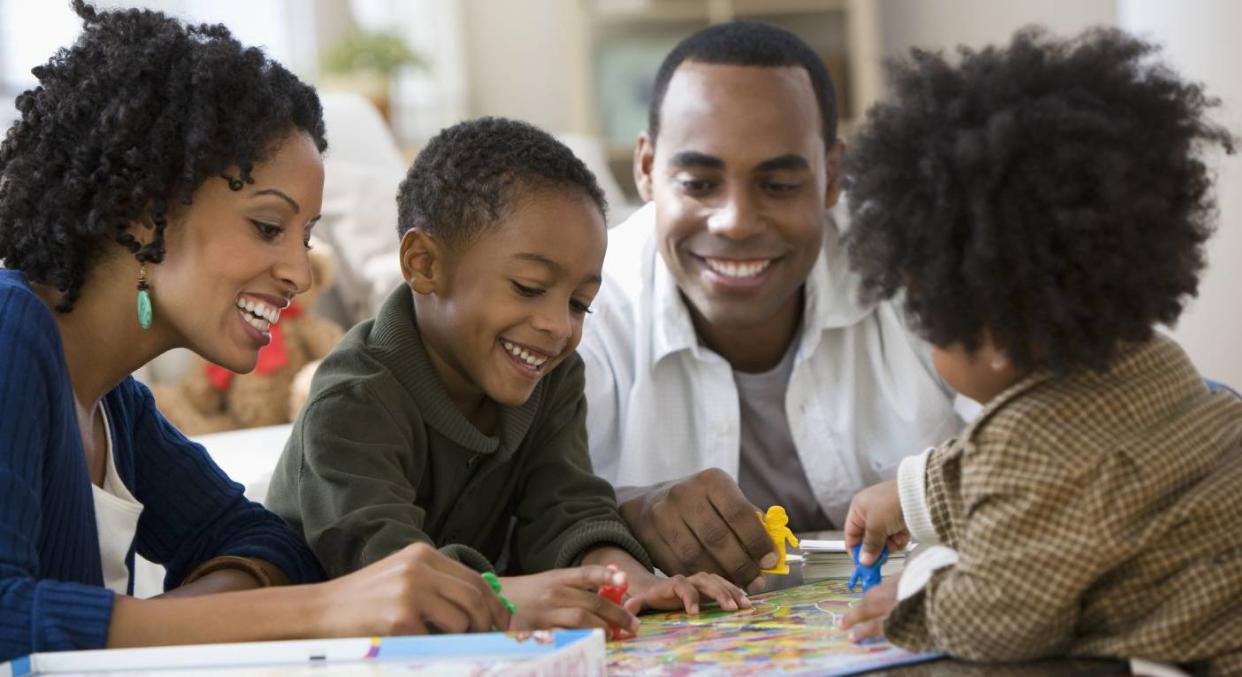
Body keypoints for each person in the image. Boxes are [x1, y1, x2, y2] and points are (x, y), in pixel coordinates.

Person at [0, 2, 510, 661]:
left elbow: (268, 543)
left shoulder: (113, 401)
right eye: (268, 226)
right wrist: (322, 608)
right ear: (144, 213)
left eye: (306, 237)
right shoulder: (12, 333)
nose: (299, 272)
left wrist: (180, 624)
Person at [838, 28, 1242, 673]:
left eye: (926, 316)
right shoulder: (1152, 359)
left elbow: (1001, 621)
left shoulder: (1029, 447)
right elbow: (1029, 465)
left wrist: (913, 596)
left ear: (990, 338)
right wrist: (910, 495)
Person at [265, 117, 749, 635]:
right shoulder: (353, 399)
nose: (557, 326)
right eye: (528, 286)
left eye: (580, 303)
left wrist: (628, 582)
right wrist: (509, 598)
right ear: (424, 264)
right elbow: (382, 569)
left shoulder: (551, 378)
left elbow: (567, 508)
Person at [580, 21, 962, 592]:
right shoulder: (585, 306)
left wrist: (937, 488)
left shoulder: (920, 265)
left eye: (779, 185)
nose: (735, 222)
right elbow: (522, 516)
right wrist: (629, 513)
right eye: (697, 182)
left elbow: (1063, 427)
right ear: (646, 169)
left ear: (832, 176)